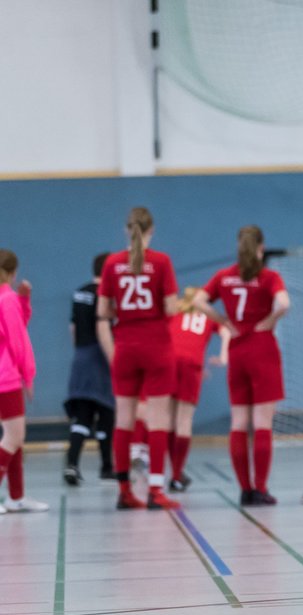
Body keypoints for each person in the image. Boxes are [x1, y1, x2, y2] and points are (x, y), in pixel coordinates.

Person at [194, 225, 290, 506]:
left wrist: (223, 320)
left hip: (237, 350)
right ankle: (260, 487)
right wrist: (270, 321)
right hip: (262, 348)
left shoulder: (224, 276)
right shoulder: (268, 276)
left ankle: (245, 489)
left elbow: (198, 301)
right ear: (261, 248)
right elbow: (284, 303)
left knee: (238, 423)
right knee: (262, 424)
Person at [96, 207, 182, 510]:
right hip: (156, 345)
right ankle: (156, 490)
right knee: (159, 418)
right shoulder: (161, 262)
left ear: (126, 230)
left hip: (126, 346)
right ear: (151, 230)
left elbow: (103, 311)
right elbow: (171, 308)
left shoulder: (112, 263)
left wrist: (126, 311)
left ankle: (124, 490)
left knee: (123, 419)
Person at [167, 287, 230, 492]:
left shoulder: (175, 313)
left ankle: (171, 472)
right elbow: (227, 331)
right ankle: (177, 474)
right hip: (192, 364)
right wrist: (223, 357)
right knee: (184, 420)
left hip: (169, 361)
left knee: (167, 419)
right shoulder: (208, 316)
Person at [0, 250, 47, 514]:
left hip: (4, 376)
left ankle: (16, 497)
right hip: (6, 378)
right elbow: (19, 341)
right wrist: (28, 375)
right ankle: (13, 496)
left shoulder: (7, 299)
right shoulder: (6, 299)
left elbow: (16, 325)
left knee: (13, 437)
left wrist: (24, 300)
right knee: (14, 436)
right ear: (12, 272)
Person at [63, 253, 116, 485]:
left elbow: (73, 328)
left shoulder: (79, 292)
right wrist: (114, 360)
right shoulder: (104, 295)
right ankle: (107, 466)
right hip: (100, 356)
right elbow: (102, 328)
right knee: (107, 414)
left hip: (81, 355)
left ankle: (72, 465)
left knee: (82, 416)